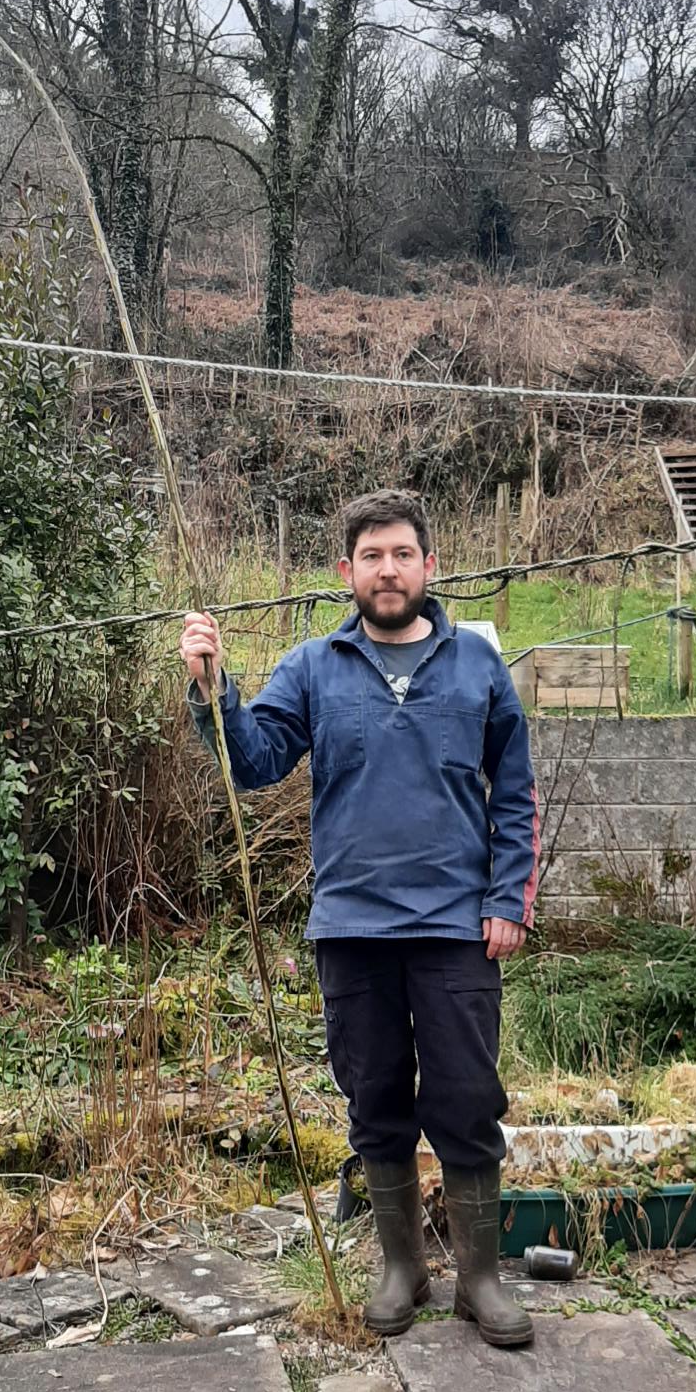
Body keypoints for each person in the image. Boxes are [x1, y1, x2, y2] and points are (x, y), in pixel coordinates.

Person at [180, 486, 541, 1348]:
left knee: (467, 1098)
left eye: (402, 554)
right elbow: (255, 762)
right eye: (371, 556)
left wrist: (508, 900)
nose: (388, 570)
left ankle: (480, 1279)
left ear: (429, 565)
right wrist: (212, 689)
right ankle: (401, 1266)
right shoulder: (314, 667)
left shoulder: (477, 665)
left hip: (456, 926)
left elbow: (516, 793)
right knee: (374, 1097)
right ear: (347, 571)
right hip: (352, 928)